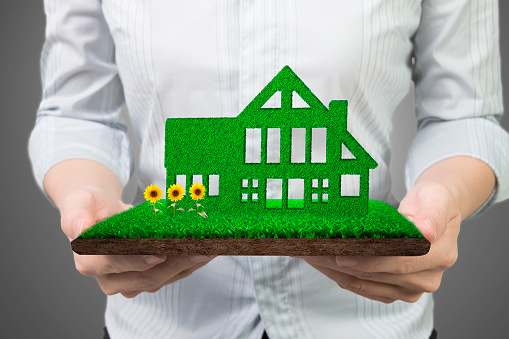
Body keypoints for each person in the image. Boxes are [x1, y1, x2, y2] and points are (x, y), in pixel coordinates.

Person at [29, 1, 509, 338]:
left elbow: (463, 114)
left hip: (366, 325)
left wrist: (444, 195)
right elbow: (77, 112)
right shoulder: (209, 156)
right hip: (163, 325)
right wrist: (83, 195)